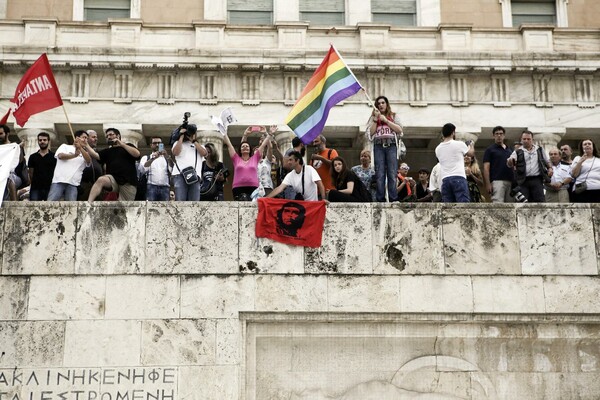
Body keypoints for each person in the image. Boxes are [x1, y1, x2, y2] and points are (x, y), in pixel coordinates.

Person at [366, 95, 403, 202]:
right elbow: (370, 134)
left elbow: (399, 130)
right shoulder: (373, 118)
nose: (381, 105)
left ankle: (393, 198)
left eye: (383, 103)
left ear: (387, 104)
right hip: (379, 146)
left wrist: (386, 120)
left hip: (391, 145)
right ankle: (380, 199)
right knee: (380, 173)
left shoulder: (393, 116)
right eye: (378, 104)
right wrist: (375, 119)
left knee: (392, 173)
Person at [87, 127, 141, 201]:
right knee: (101, 180)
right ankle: (89, 203)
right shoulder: (108, 151)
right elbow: (96, 155)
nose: (109, 137)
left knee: (124, 208)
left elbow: (137, 154)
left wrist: (122, 144)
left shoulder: (128, 146)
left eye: (111, 135)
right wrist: (86, 145)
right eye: (107, 136)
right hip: (113, 179)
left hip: (128, 182)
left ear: (118, 136)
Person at [223, 125, 271, 201]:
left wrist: (268, 133)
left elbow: (263, 145)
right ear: (240, 150)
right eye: (243, 146)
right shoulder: (236, 158)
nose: (245, 147)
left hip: (253, 187)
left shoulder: (255, 158)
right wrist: (223, 131)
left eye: (247, 146)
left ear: (250, 150)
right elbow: (229, 144)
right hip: (238, 188)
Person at [507, 130, 553, 203]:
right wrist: (510, 162)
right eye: (524, 139)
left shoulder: (539, 149)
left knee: (540, 201)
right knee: (522, 202)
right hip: (523, 180)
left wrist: (550, 168)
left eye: (528, 139)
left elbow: (546, 161)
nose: (526, 141)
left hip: (537, 180)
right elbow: (510, 162)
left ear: (532, 140)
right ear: (521, 140)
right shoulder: (518, 151)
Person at [435, 123, 475, 203]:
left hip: (445, 179)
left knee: (448, 207)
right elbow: (471, 153)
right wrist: (471, 145)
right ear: (453, 132)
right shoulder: (459, 144)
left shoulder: (438, 148)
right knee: (463, 204)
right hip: (458, 177)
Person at [47, 130, 92, 201]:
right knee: (50, 203)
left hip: (73, 184)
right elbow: (60, 156)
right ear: (77, 138)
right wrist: (74, 155)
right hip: (59, 181)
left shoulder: (85, 153)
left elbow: (88, 161)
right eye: (84, 137)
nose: (85, 140)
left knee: (71, 208)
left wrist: (80, 148)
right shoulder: (65, 146)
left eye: (87, 138)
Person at [171, 124, 206, 201]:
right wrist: (181, 136)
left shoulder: (199, 146)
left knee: (194, 203)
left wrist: (194, 141)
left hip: (194, 176)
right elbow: (176, 152)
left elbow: (204, 153)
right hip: (180, 175)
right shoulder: (177, 143)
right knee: (180, 202)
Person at [482, 126, 514, 202]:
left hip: (510, 181)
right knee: (498, 205)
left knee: (510, 206)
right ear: (493, 136)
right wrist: (488, 184)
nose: (499, 136)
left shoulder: (509, 150)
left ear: (504, 135)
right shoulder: (490, 150)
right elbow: (486, 168)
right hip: (497, 181)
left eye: (501, 134)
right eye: (496, 134)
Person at [140, 137, 172, 201]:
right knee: (150, 208)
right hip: (151, 186)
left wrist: (167, 156)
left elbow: (173, 169)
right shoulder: (146, 157)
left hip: (165, 187)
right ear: (151, 145)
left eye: (159, 143)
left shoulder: (166, 158)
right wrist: (153, 158)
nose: (157, 145)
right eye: (155, 143)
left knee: (165, 209)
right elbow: (142, 169)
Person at [27, 132, 56, 201]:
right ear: (38, 141)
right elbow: (30, 173)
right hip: (35, 187)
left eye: (44, 140)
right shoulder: (32, 157)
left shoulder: (54, 156)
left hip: (50, 187)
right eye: (40, 140)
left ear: (48, 141)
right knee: (34, 208)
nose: (42, 142)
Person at [570, 138, 600, 203]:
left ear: (593, 147)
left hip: (597, 189)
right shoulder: (577, 158)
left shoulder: (598, 160)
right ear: (582, 147)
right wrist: (580, 162)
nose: (587, 145)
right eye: (585, 144)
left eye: (589, 144)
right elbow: (574, 175)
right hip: (581, 190)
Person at [78, 129, 103, 200]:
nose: (96, 139)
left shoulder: (98, 152)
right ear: (86, 139)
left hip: (98, 185)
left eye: (96, 137)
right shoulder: (79, 151)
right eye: (93, 137)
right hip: (83, 185)